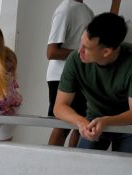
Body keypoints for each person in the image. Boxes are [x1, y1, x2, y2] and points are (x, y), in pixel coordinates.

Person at [53, 13, 132, 153]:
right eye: (81, 43)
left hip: (131, 123)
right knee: (84, 166)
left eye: (86, 47)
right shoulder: (75, 59)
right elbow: (59, 107)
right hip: (94, 119)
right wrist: (80, 122)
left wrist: (106, 121)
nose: (79, 50)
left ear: (106, 51)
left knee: (124, 170)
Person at [46, 1, 120, 147]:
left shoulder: (87, 10)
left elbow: (106, 36)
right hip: (61, 76)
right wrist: (86, 54)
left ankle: (74, 165)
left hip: (82, 77)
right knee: (62, 126)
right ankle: (50, 166)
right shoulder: (66, 9)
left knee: (82, 124)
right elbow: (51, 52)